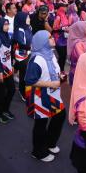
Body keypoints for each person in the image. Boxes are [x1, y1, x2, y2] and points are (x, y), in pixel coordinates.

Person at [24, 30, 65, 162]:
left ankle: (49, 143)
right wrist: (51, 84)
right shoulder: (36, 59)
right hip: (40, 96)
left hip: (53, 94)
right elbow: (29, 80)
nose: (53, 38)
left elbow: (53, 71)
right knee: (41, 123)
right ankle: (38, 152)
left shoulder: (51, 53)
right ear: (42, 42)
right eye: (50, 37)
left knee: (59, 116)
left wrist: (60, 77)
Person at [12, 11, 32, 101]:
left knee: (26, 71)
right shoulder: (19, 30)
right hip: (21, 55)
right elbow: (21, 44)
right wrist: (32, 47)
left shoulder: (28, 27)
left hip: (28, 52)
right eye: (27, 18)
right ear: (22, 19)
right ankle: (22, 91)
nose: (29, 19)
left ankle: (14, 71)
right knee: (24, 74)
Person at [67, 21, 86, 85]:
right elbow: (83, 58)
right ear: (80, 30)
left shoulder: (84, 39)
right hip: (78, 74)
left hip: (84, 71)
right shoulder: (78, 44)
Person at [53, 4, 70, 72]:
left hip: (65, 38)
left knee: (64, 56)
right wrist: (63, 29)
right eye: (65, 7)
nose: (66, 8)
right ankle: (59, 70)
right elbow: (54, 28)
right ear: (61, 8)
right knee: (61, 56)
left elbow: (66, 25)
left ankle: (62, 70)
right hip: (58, 39)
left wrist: (67, 28)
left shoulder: (65, 16)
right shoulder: (58, 17)